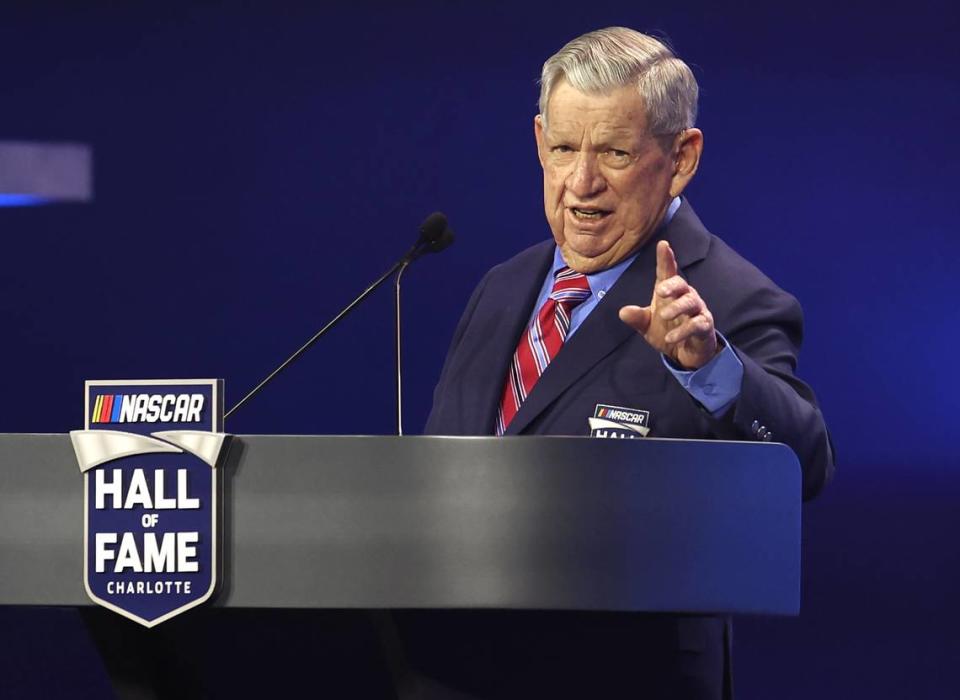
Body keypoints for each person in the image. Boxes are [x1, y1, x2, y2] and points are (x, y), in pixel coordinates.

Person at [399, 26, 835, 700]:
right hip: (458, 673)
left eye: (615, 153)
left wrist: (709, 365)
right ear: (539, 141)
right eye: (564, 148)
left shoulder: (726, 298)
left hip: (626, 677)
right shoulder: (502, 289)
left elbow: (804, 463)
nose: (582, 183)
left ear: (681, 158)